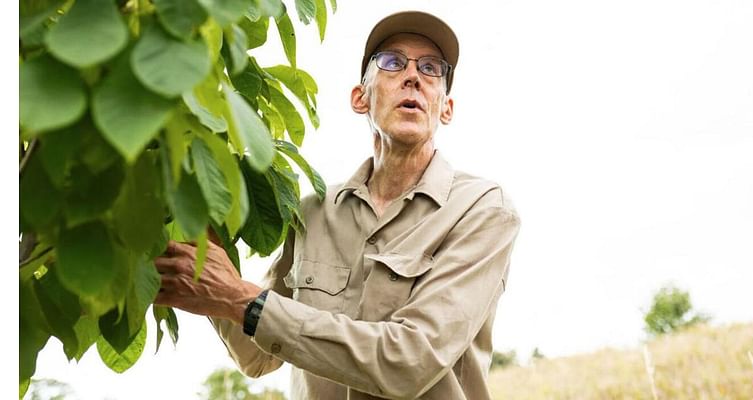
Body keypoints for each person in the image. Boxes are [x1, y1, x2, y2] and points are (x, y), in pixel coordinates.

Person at [154, 10, 521, 400]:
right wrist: (199, 222)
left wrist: (239, 299)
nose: (413, 76)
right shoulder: (312, 212)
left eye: (431, 69)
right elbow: (254, 353)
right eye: (393, 63)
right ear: (360, 99)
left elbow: (409, 360)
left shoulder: (483, 211)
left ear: (445, 107)